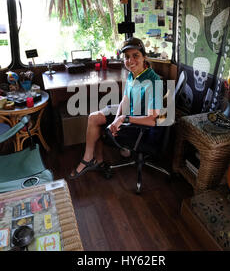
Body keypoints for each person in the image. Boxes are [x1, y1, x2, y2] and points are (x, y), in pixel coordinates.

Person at [68, 37, 163, 179]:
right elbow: (125, 100)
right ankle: (94, 160)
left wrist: (123, 118)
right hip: (128, 114)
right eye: (127, 57)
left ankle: (92, 160)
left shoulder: (154, 81)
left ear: (144, 56)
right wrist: (117, 118)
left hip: (139, 124)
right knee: (94, 117)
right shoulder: (133, 74)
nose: (130, 61)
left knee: (99, 124)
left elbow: (152, 120)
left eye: (135, 55)